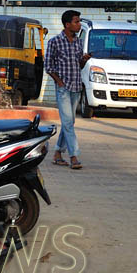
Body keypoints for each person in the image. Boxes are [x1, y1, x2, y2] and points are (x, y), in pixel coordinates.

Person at [46, 10, 90, 170]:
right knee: (68, 123)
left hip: (76, 86)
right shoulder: (55, 42)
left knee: (69, 123)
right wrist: (59, 83)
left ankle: (58, 153)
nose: (79, 25)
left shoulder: (78, 42)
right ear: (67, 24)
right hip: (63, 88)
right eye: (76, 22)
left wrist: (83, 60)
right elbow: (48, 67)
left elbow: (79, 65)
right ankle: (74, 156)